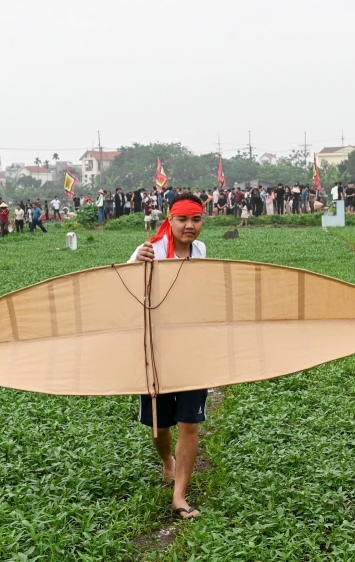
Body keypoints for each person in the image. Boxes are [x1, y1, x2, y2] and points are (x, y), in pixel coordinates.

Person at [128, 193, 207, 521]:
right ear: (170, 219)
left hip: (191, 349)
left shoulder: (201, 251)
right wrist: (136, 263)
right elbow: (126, 288)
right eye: (183, 219)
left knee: (189, 423)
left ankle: (179, 496)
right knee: (159, 425)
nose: (190, 226)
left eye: (196, 219)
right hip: (156, 350)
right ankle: (166, 461)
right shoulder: (151, 250)